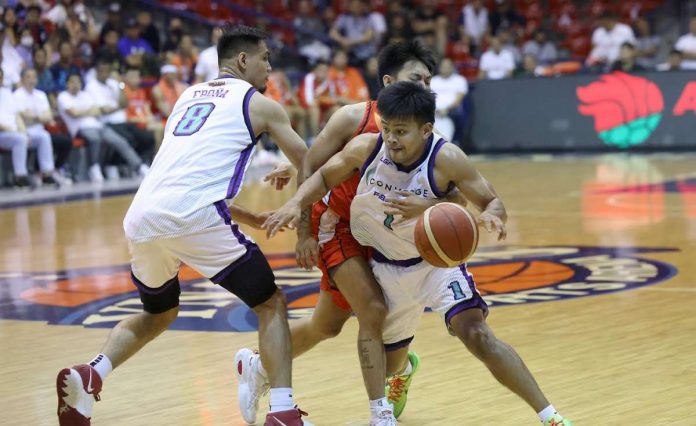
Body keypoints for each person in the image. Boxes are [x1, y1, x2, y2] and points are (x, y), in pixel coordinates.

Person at [264, 81, 574, 426]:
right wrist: (295, 203)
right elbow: (321, 177)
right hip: (388, 269)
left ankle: (551, 417)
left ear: (426, 130)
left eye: (401, 131)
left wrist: (489, 216)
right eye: (387, 129)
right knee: (389, 363)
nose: (391, 139)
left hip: (435, 266)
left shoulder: (447, 158)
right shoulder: (366, 149)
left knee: (477, 335)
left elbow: (491, 200)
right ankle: (400, 374)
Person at [55, 25, 311, 426]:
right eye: (265, 58)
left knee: (158, 313)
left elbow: (186, 175)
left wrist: (250, 216)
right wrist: (306, 219)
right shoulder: (260, 104)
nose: (270, 67)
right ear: (243, 60)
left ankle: (92, 373)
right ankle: (282, 412)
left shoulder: (187, 96)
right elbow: (309, 161)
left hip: (143, 215)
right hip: (194, 216)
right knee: (270, 304)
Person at [237, 41, 438, 426]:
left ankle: (259, 365)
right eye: (418, 78)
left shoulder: (423, 128)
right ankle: (379, 414)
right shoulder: (352, 117)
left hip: (382, 235)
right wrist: (305, 233)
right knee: (373, 310)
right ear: (389, 80)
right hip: (340, 229)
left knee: (326, 326)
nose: (426, 87)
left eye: (429, 80)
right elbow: (314, 163)